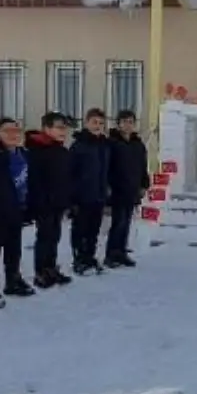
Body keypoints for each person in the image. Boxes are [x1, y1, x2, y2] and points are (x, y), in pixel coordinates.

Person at [0, 118, 36, 309]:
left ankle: (13, 280)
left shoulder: (23, 154)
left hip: (17, 209)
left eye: (16, 130)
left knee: (14, 249)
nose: (13, 134)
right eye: (7, 131)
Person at [25, 111, 75, 289]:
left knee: (55, 236)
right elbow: (35, 179)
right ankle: (41, 272)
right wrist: (39, 201)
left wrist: (67, 199)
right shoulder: (36, 150)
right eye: (59, 127)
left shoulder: (62, 150)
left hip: (58, 202)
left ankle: (51, 268)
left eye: (64, 128)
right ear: (46, 128)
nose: (63, 131)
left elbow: (66, 177)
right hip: (43, 203)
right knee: (44, 237)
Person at [70, 107, 112, 275]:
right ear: (86, 123)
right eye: (94, 122)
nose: (98, 126)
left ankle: (90, 257)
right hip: (82, 195)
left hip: (99, 194)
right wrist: (72, 198)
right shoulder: (78, 145)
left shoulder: (105, 145)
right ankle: (79, 260)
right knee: (80, 229)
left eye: (101, 123)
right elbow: (71, 172)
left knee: (94, 230)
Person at [106, 109, 149, 268]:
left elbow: (143, 166)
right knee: (118, 222)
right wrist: (107, 185)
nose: (128, 125)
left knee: (126, 222)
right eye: (124, 122)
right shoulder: (112, 143)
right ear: (118, 124)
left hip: (132, 189)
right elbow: (106, 166)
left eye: (131, 122)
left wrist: (144, 184)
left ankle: (121, 252)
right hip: (117, 189)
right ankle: (111, 254)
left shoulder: (138, 144)